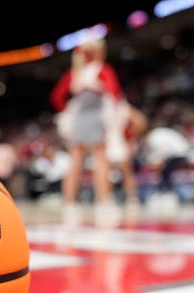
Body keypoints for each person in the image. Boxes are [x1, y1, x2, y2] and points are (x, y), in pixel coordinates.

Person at [50, 38, 124, 226]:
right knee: (100, 159)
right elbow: (115, 93)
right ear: (99, 52)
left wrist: (68, 110)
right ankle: (103, 202)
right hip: (96, 118)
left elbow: (57, 97)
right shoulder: (102, 69)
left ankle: (69, 203)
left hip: (78, 120)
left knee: (75, 162)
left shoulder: (75, 73)